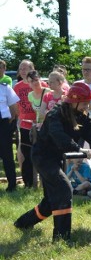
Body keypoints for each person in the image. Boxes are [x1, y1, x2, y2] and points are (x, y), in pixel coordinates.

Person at [13, 82, 91, 241]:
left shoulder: (82, 116)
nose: (87, 105)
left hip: (55, 158)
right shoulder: (55, 114)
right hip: (43, 157)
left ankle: (22, 223)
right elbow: (58, 136)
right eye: (85, 102)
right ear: (74, 101)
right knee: (64, 189)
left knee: (49, 202)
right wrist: (79, 149)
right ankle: (61, 237)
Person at [14, 59, 40, 188]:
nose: (23, 71)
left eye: (25, 68)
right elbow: (15, 106)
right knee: (26, 152)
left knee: (40, 153)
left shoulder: (41, 85)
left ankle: (42, 181)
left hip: (39, 124)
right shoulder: (17, 87)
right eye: (21, 69)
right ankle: (28, 182)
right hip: (24, 124)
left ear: (32, 69)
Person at [0, 79, 20, 192]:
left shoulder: (5, 88)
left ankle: (12, 185)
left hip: (3, 124)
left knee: (7, 155)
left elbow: (14, 108)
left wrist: (10, 124)